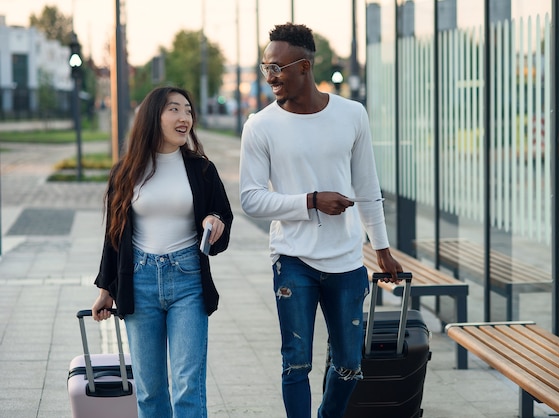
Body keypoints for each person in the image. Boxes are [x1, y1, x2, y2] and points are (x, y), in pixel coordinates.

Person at [239, 22, 403, 418]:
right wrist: (311, 201)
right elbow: (251, 199)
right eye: (266, 67)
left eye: (278, 67)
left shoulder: (351, 114)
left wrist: (381, 249)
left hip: (346, 260)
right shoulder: (260, 126)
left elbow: (367, 187)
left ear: (305, 67)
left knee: (349, 365)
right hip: (293, 259)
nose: (271, 76)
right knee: (296, 362)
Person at [91, 86, 233, 418]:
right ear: (153, 117)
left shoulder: (202, 170)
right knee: (150, 389)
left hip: (188, 281)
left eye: (188, 110)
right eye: (174, 109)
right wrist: (105, 289)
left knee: (187, 386)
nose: (184, 117)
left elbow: (223, 215)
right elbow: (114, 236)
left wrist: (216, 222)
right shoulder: (126, 172)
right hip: (139, 282)